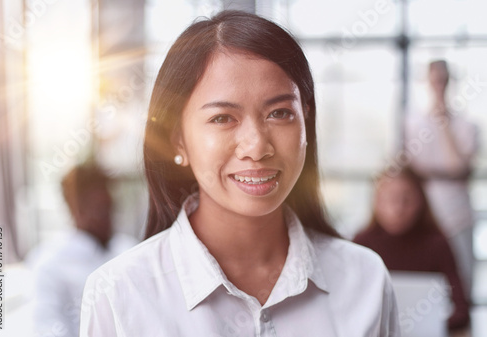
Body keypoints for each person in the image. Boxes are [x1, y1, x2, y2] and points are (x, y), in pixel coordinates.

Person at [80, 10, 400, 336]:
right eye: (222, 118)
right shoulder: (119, 295)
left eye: (279, 113)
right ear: (178, 139)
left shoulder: (366, 280)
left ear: (306, 123)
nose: (257, 146)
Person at [353, 167, 470, 332]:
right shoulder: (362, 242)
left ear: (421, 201)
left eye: (406, 199)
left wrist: (432, 325)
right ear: (376, 202)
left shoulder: (437, 244)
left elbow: (461, 310)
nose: (398, 208)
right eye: (389, 198)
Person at [28, 162, 136, 337]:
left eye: (111, 208)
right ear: (77, 209)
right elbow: (46, 328)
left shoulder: (128, 249)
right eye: (101, 210)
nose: (109, 218)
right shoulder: (49, 264)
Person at [406, 60, 479, 298]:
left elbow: (460, 167)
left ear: (450, 82)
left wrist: (443, 123)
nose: (439, 86)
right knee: (425, 285)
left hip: (458, 215)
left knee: (462, 282)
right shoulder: (414, 124)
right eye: (434, 81)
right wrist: (450, 173)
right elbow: (413, 170)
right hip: (425, 216)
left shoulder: (467, 125)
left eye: (443, 81)